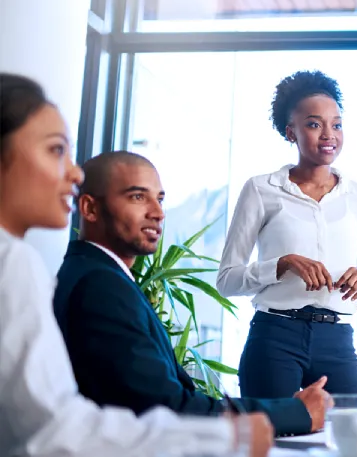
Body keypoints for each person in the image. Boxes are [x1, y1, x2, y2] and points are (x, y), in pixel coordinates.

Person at [0, 72, 273, 457]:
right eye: (56, 150)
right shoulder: (21, 264)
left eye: (160, 198)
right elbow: (51, 429)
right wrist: (229, 437)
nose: (75, 173)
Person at [52, 150, 330, 437]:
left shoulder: (95, 274)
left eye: (159, 199)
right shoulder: (99, 285)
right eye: (137, 197)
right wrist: (294, 413)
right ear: (89, 209)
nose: (157, 213)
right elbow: (165, 410)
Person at [217, 70, 357, 398]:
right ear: (291, 132)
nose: (328, 134)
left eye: (337, 124)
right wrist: (283, 264)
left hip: (337, 339)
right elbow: (227, 280)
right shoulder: (261, 190)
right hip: (275, 336)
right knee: (271, 441)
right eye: (314, 124)